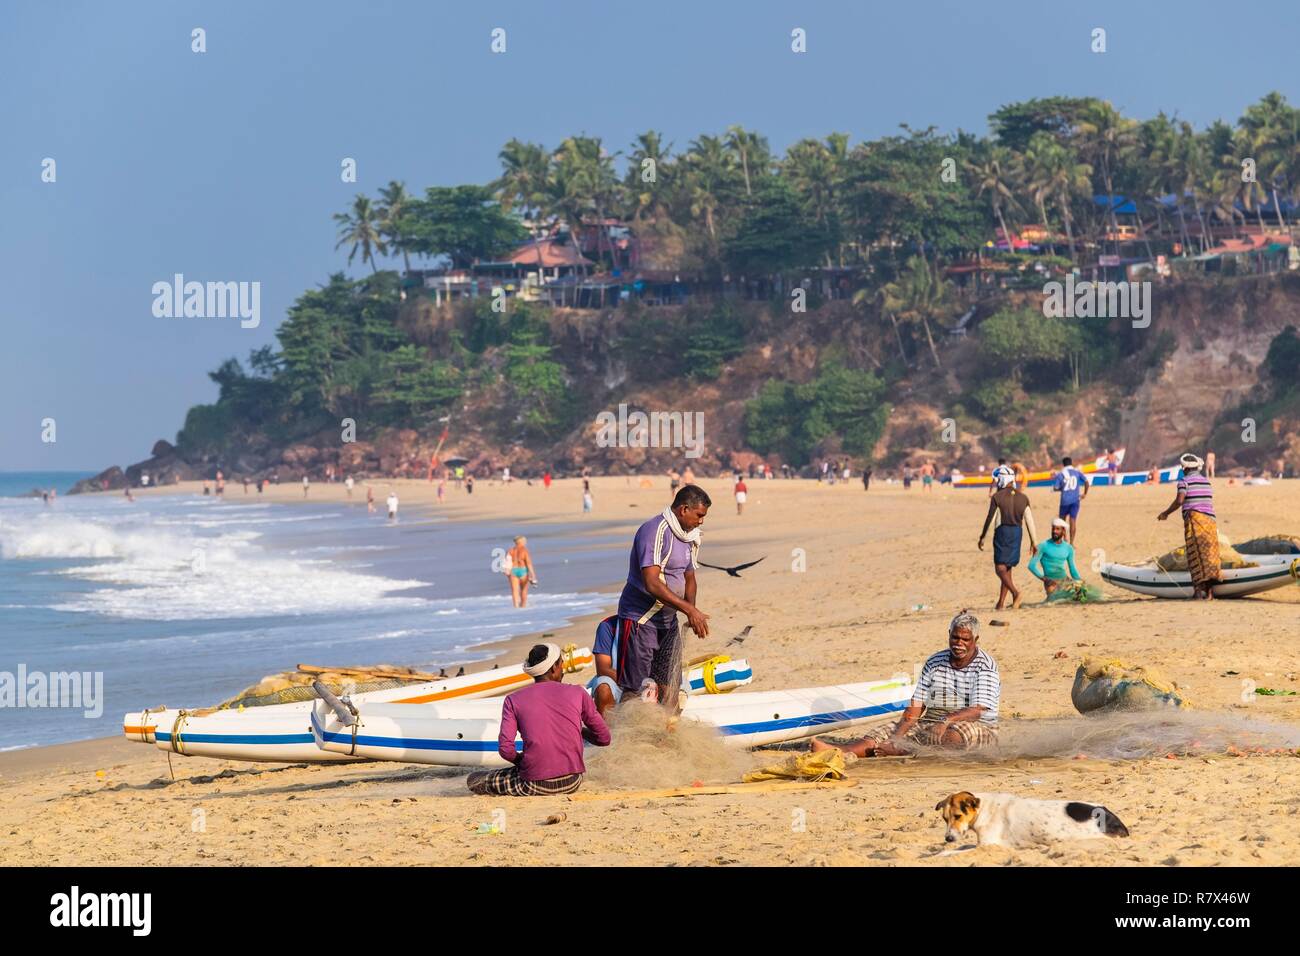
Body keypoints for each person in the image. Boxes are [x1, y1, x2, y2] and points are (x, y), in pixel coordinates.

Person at [810, 610, 999, 756]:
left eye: (965, 639)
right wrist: (896, 738)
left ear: (975, 640)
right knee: (884, 732)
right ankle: (842, 752)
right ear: (949, 634)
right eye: (955, 637)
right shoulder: (934, 662)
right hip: (932, 723)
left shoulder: (985, 666)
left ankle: (904, 751)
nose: (959, 643)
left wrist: (946, 721)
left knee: (953, 736)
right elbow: (916, 706)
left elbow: (978, 710)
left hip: (978, 727)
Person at [612, 485, 712, 709]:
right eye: (699, 515)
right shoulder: (655, 530)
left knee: (670, 688)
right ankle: (627, 740)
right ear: (684, 509)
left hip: (668, 621)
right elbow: (652, 582)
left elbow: (690, 578)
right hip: (640, 619)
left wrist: (691, 612)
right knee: (636, 690)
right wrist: (690, 610)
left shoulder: (690, 536)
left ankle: (664, 738)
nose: (701, 521)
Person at [466, 643, 610, 797]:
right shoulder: (578, 693)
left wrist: (522, 762)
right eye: (561, 664)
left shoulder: (513, 700)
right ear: (554, 667)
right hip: (572, 781)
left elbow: (506, 750)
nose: (562, 669)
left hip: (534, 783)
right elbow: (604, 738)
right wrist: (578, 730)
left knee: (474, 779)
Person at [1158, 453, 1219, 599]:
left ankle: (1198, 592)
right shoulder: (1206, 481)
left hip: (1195, 521)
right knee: (1209, 555)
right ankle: (1210, 593)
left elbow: (1180, 500)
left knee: (1194, 554)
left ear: (1185, 468)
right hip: (1210, 522)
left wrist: (1165, 513)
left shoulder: (1184, 482)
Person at [977, 471, 1038, 610]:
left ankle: (1016, 593)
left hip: (1002, 532)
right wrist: (1034, 541)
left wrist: (982, 537)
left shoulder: (997, 497)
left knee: (1000, 568)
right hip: (1017, 533)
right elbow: (1029, 520)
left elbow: (990, 518)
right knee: (1008, 567)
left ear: (1002, 481)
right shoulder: (1023, 497)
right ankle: (1001, 603)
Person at [1028, 518, 1083, 597]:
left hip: (1065, 580)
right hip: (1051, 582)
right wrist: (1045, 579)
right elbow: (1031, 566)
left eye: (1057, 529)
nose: (1054, 531)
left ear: (1063, 531)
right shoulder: (1043, 546)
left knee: (1081, 595)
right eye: (1053, 529)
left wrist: (1079, 581)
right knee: (1055, 601)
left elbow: (1072, 569)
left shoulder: (1069, 548)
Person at [1052, 456, 1089, 545]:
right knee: (1073, 521)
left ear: (1063, 464)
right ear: (1071, 463)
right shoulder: (1077, 472)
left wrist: (1062, 488)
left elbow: (1056, 488)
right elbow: (1086, 482)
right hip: (1075, 500)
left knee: (1062, 521)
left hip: (1064, 501)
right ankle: (1072, 543)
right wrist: (1084, 494)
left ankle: (1064, 540)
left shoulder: (1061, 474)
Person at [505, 535, 537, 608]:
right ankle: (523, 606)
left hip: (513, 571)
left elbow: (507, 563)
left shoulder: (510, 550)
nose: (526, 542)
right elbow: (528, 563)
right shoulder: (524, 550)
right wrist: (533, 575)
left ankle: (516, 607)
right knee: (524, 590)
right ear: (521, 541)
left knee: (514, 591)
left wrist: (507, 573)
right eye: (525, 541)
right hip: (523, 571)